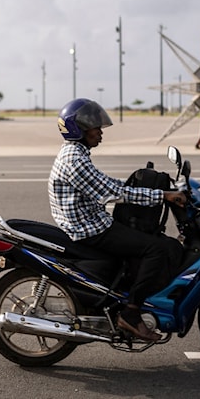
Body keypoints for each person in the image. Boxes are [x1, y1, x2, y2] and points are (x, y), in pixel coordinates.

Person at [49, 98, 187, 342]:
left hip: (89, 222)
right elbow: (113, 193)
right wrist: (162, 195)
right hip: (90, 229)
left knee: (144, 239)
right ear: (79, 128)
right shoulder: (75, 159)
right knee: (156, 249)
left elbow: (106, 183)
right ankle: (131, 314)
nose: (100, 132)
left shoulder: (76, 152)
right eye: (95, 127)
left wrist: (143, 188)